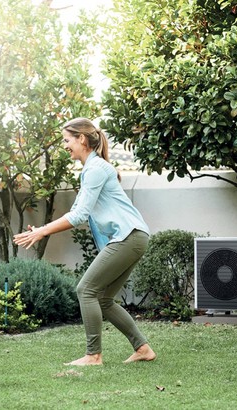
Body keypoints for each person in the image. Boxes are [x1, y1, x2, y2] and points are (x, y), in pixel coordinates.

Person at [13, 117, 156, 366]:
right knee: (103, 299)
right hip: (132, 237)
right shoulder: (92, 169)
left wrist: (43, 232)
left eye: (67, 140)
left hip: (129, 236)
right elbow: (79, 210)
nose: (65, 146)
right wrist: (42, 229)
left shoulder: (96, 169)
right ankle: (142, 348)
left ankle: (93, 356)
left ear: (81, 138)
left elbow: (79, 215)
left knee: (86, 290)